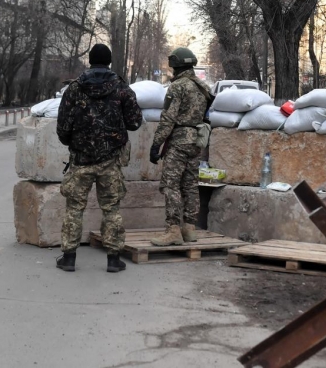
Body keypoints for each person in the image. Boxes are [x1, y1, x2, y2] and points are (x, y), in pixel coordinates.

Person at [55, 43, 142, 273]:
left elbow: (63, 125)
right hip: (111, 160)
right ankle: (113, 259)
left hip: (81, 159)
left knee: (74, 208)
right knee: (111, 209)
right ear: (109, 61)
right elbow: (134, 122)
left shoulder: (74, 88)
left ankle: (69, 258)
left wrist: (73, 142)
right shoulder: (122, 88)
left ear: (90, 61)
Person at [149, 47, 212, 246]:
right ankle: (190, 229)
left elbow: (168, 118)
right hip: (196, 140)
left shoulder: (178, 87)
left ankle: (173, 229)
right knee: (191, 184)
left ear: (175, 64)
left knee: (171, 184)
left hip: (179, 140)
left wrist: (156, 144)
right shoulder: (203, 87)